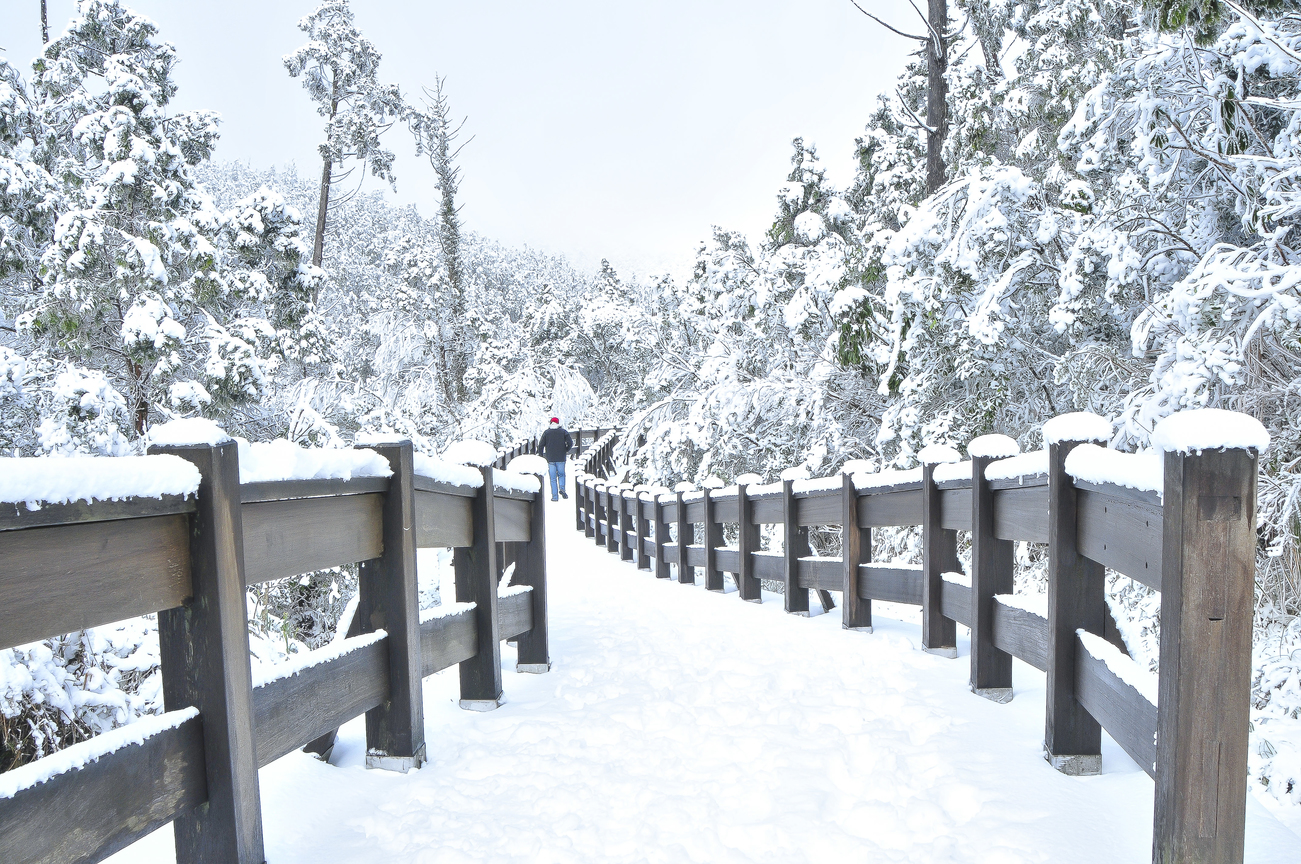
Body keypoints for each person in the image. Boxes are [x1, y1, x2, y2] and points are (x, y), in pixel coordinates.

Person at [539, 416, 573, 501]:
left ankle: (554, 497)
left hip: (550, 458)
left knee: (553, 478)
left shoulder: (547, 433)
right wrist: (566, 449)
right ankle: (562, 489)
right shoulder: (563, 432)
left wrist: (541, 455)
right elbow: (570, 443)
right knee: (561, 474)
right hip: (561, 457)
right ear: (558, 423)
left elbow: (541, 445)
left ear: (550, 423)